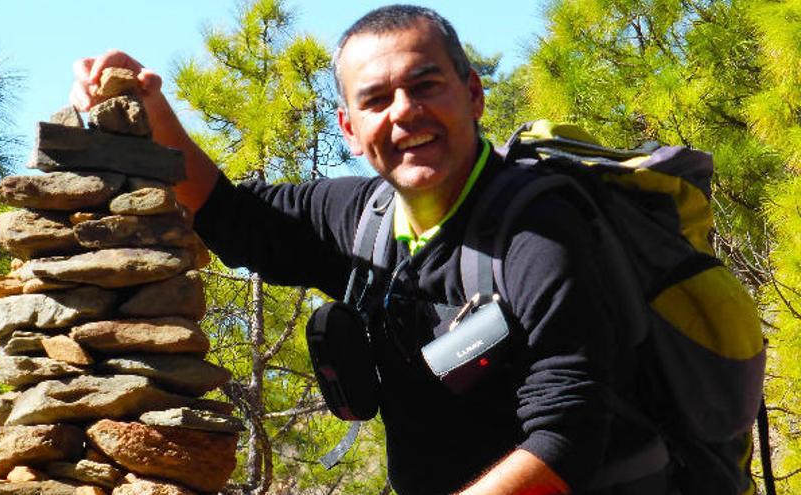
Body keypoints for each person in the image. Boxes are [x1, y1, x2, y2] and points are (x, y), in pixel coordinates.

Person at [71, 5, 667, 494]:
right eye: (377, 100)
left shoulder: (540, 229)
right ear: (350, 129)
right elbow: (234, 217)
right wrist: (152, 115)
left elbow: (566, 435)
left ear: (474, 94)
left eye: (425, 85)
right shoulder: (362, 219)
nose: (405, 112)